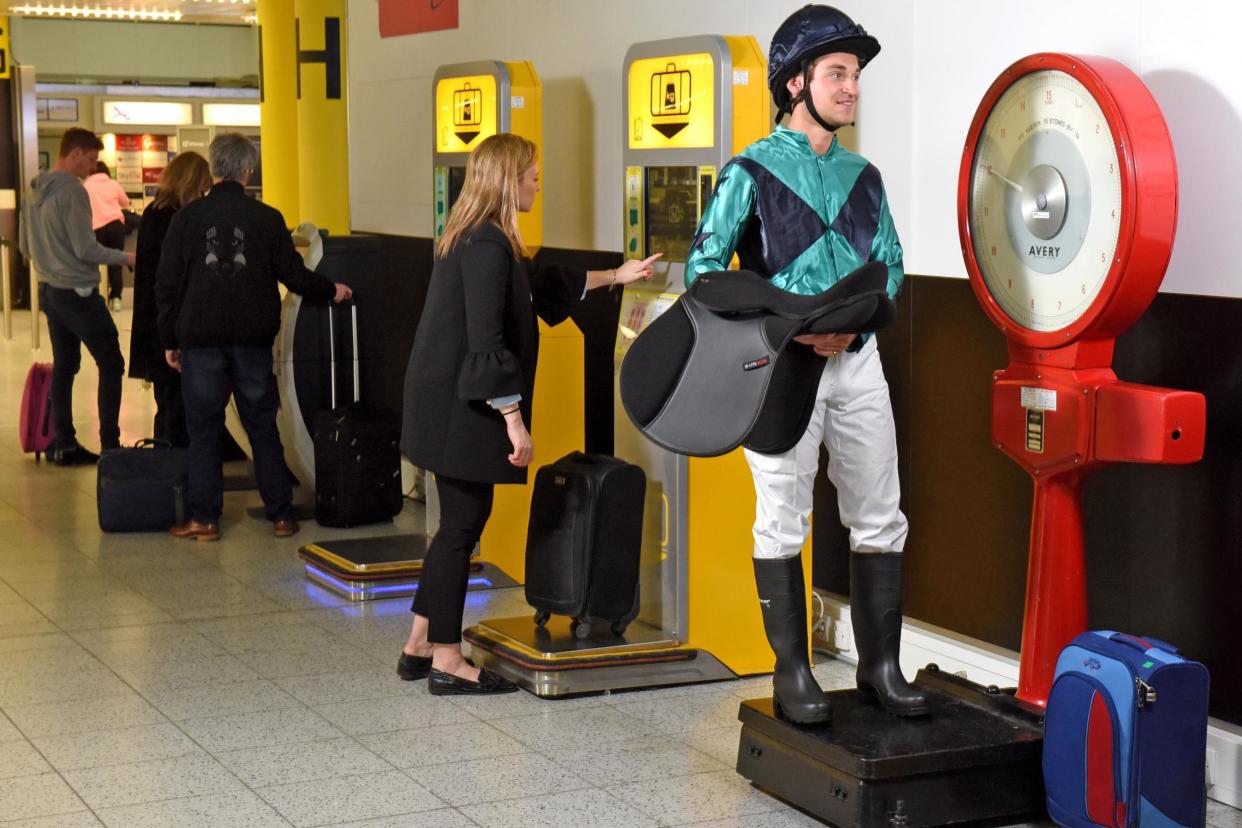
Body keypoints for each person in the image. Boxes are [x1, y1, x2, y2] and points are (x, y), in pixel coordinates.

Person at [685, 5, 926, 723]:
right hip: (781, 371)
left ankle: (881, 667)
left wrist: (852, 327)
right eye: (837, 73)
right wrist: (787, 324)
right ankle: (793, 673)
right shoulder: (748, 171)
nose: (852, 87)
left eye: (854, 75)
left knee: (881, 517)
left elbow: (891, 264)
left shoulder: (865, 175)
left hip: (859, 365)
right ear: (795, 83)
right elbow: (705, 269)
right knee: (782, 522)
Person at [397, 133, 660, 696]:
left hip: (443, 403)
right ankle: (446, 658)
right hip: (462, 409)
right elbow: (487, 340)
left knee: (455, 527)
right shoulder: (487, 246)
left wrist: (618, 276)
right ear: (506, 179)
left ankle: (419, 641)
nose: (539, 182)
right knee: (461, 529)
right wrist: (515, 421)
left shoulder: (478, 238)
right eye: (532, 174)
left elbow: (544, 286)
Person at [155, 133, 352, 542]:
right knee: (262, 425)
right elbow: (293, 275)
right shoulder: (267, 218)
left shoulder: (187, 219)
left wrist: (169, 338)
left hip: (201, 340)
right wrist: (331, 290)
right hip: (253, 341)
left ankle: (205, 520)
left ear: (214, 169)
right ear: (248, 170)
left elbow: (167, 284)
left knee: (204, 429)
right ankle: (281, 515)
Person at [18, 128, 136, 466]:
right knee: (111, 363)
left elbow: (26, 247)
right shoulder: (72, 191)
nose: (93, 165)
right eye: (91, 158)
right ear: (75, 153)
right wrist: (127, 258)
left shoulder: (34, 189)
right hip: (79, 293)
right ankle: (111, 447)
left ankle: (64, 443)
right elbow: (85, 249)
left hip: (50, 291)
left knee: (65, 366)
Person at [130, 152, 213, 447]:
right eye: (203, 187)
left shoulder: (154, 212)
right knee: (179, 400)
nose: (205, 193)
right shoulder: (178, 219)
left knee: (166, 400)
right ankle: (177, 467)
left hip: (153, 320)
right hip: (173, 320)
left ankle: (164, 465)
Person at [83, 161, 131, 311]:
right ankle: (116, 299)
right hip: (116, 226)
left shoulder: (86, 185)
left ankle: (95, 298)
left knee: (94, 264)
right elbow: (125, 202)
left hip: (96, 227)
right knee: (115, 263)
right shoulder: (113, 184)